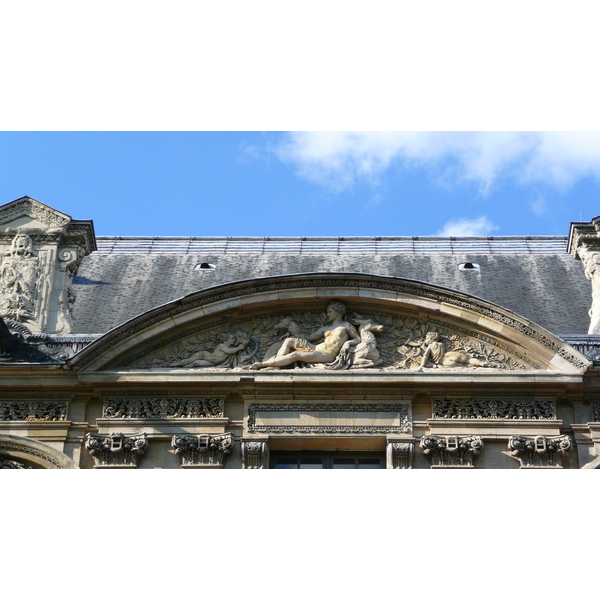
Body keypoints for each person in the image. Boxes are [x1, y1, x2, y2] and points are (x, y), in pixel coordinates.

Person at [250, 300, 360, 369]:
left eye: (329, 311)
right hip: (316, 348)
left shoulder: (347, 326)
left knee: (295, 355)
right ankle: (277, 364)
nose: (327, 314)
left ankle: (264, 364)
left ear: (337, 312)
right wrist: (292, 331)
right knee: (290, 341)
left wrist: (348, 343)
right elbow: (308, 338)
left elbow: (358, 339)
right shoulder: (325, 328)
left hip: (327, 355)